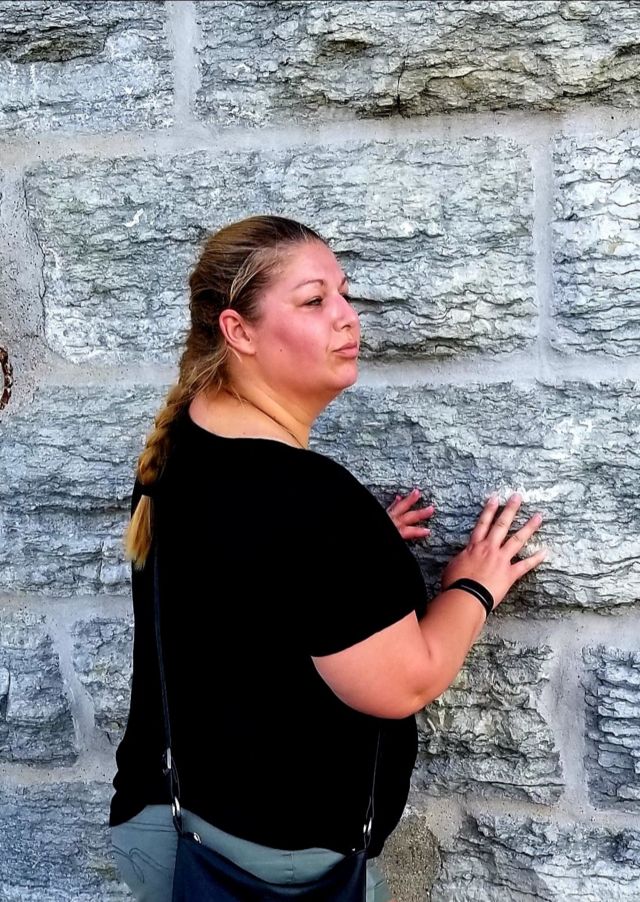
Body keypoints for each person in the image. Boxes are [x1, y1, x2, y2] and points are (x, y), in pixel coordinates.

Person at [109, 214, 546, 902]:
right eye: (314, 301)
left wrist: (357, 555)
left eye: (344, 293)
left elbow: (241, 573)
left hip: (162, 825)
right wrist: (472, 587)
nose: (347, 317)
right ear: (239, 331)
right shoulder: (310, 500)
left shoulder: (183, 446)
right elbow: (402, 683)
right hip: (268, 868)